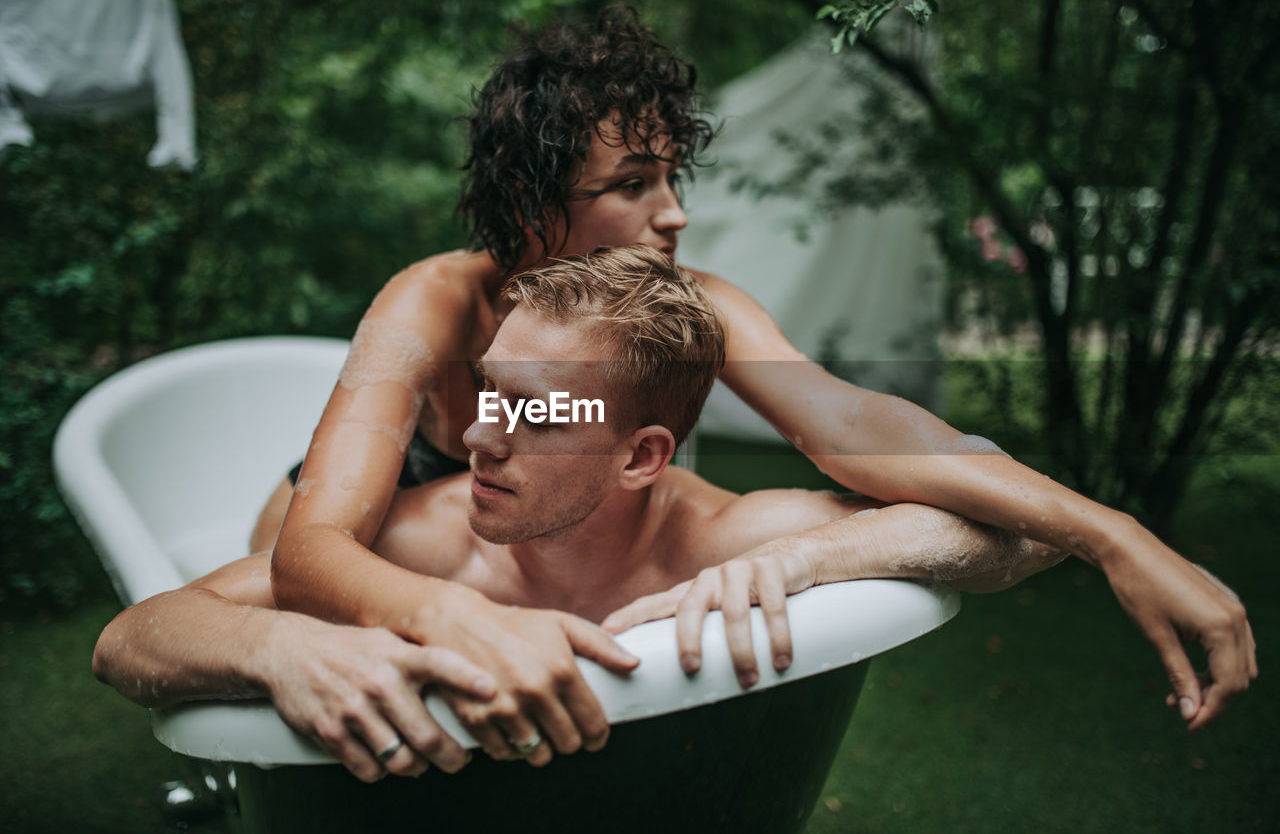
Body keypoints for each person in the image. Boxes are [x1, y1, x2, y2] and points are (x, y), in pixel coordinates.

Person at [256, 6, 1253, 751]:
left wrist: (1115, 535)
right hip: (370, 561)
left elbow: (848, 424)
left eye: (671, 175)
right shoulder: (429, 304)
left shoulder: (686, 299)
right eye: (632, 183)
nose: (674, 211)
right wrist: (453, 618)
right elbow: (307, 550)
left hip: (549, 563)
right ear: (529, 208)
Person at [95, 246, 1065, 783]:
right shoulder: (423, 540)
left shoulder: (725, 539)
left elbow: (1015, 532)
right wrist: (283, 651)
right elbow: (134, 638)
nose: (481, 435)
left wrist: (817, 558)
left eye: (536, 410)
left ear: (643, 456)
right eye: (488, 393)